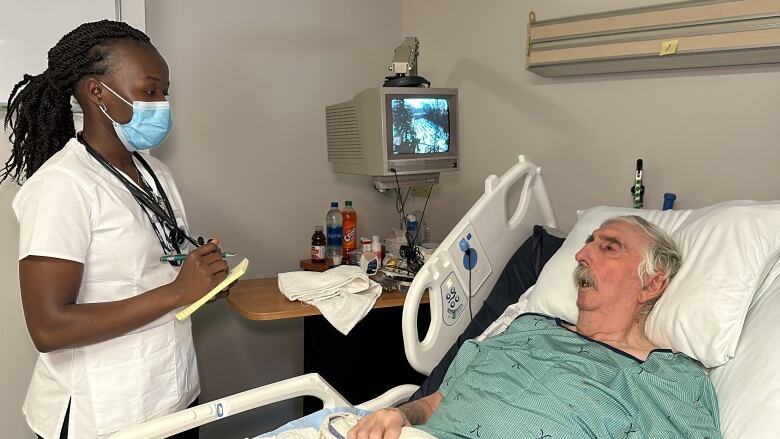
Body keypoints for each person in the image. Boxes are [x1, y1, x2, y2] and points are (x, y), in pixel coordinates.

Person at [3, 20, 230, 439]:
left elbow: (158, 265)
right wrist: (179, 291)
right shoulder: (62, 186)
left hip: (173, 395)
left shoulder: (154, 171)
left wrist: (205, 278)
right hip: (105, 413)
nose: (161, 103)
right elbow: (48, 327)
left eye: (165, 92)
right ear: (96, 92)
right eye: (149, 91)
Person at [348, 215, 722, 439]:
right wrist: (399, 414)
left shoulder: (667, 379)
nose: (581, 254)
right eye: (587, 242)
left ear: (652, 284)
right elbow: (435, 403)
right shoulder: (526, 328)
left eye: (609, 248)